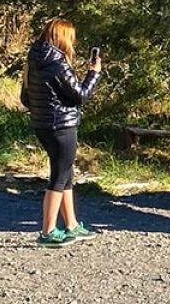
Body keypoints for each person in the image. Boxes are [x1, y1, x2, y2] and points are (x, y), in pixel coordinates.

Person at [20, 18, 102, 248]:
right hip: (62, 126)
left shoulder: (34, 60)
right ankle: (47, 232)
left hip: (42, 125)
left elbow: (25, 97)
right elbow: (80, 95)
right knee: (58, 177)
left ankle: (72, 225)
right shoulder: (57, 63)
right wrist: (94, 74)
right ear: (63, 37)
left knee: (65, 174)